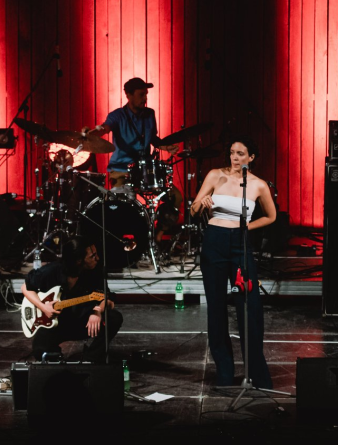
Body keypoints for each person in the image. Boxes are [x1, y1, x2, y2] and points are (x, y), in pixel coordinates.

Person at [190, 135, 276, 388]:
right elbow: (194, 209)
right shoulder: (216, 175)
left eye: (241, 154)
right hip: (215, 241)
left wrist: (248, 227)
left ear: (251, 158)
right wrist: (201, 204)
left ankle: (257, 374)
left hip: (240, 243)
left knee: (248, 308)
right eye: (232, 153)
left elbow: (271, 216)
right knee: (216, 309)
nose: (235, 158)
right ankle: (225, 374)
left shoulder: (258, 185)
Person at [21, 236, 122, 362]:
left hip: (83, 323)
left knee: (114, 317)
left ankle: (90, 358)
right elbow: (25, 287)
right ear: (79, 261)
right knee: (40, 351)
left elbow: (108, 299)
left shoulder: (95, 271)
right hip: (56, 325)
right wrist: (43, 307)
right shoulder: (53, 270)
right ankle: (57, 360)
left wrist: (97, 310)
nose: (97, 258)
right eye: (92, 256)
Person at [82, 77, 178, 192]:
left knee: (175, 198)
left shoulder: (150, 113)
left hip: (144, 170)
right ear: (128, 95)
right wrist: (90, 134)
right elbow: (104, 129)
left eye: (146, 94)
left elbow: (153, 139)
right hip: (121, 170)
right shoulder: (116, 115)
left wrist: (167, 147)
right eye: (141, 95)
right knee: (120, 203)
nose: (145, 98)